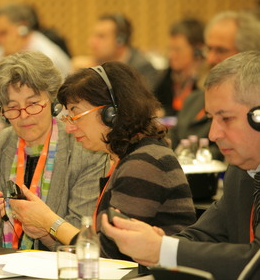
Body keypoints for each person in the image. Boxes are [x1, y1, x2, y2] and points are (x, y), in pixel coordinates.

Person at [8, 62, 196, 259]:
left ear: (111, 113)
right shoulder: (126, 159)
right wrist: (47, 234)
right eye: (67, 117)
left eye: (76, 114)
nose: (70, 128)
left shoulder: (144, 163)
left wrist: (50, 221)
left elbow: (109, 255)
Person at [103, 51, 260, 280]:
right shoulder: (240, 171)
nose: (213, 134)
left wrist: (162, 250)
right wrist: (156, 243)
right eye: (210, 119)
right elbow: (202, 236)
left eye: (225, 118)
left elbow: (255, 261)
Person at [0, 51, 105, 251]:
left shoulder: (83, 148)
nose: (24, 116)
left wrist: (46, 230)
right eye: (12, 107)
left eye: (33, 104)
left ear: (52, 100)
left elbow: (82, 237)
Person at [169, 11, 260, 159]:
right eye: (209, 49)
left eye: (221, 50)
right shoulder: (193, 100)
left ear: (248, 53)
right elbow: (171, 141)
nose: (210, 58)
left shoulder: (252, 106)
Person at [74, 14, 158, 90]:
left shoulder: (141, 68)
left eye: (101, 36)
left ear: (120, 41)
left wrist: (94, 76)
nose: (91, 42)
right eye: (94, 35)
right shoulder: (97, 63)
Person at [154, 18, 206, 117]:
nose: (171, 55)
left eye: (177, 50)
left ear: (197, 51)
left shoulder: (204, 80)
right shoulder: (168, 75)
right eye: (170, 49)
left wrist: (166, 113)